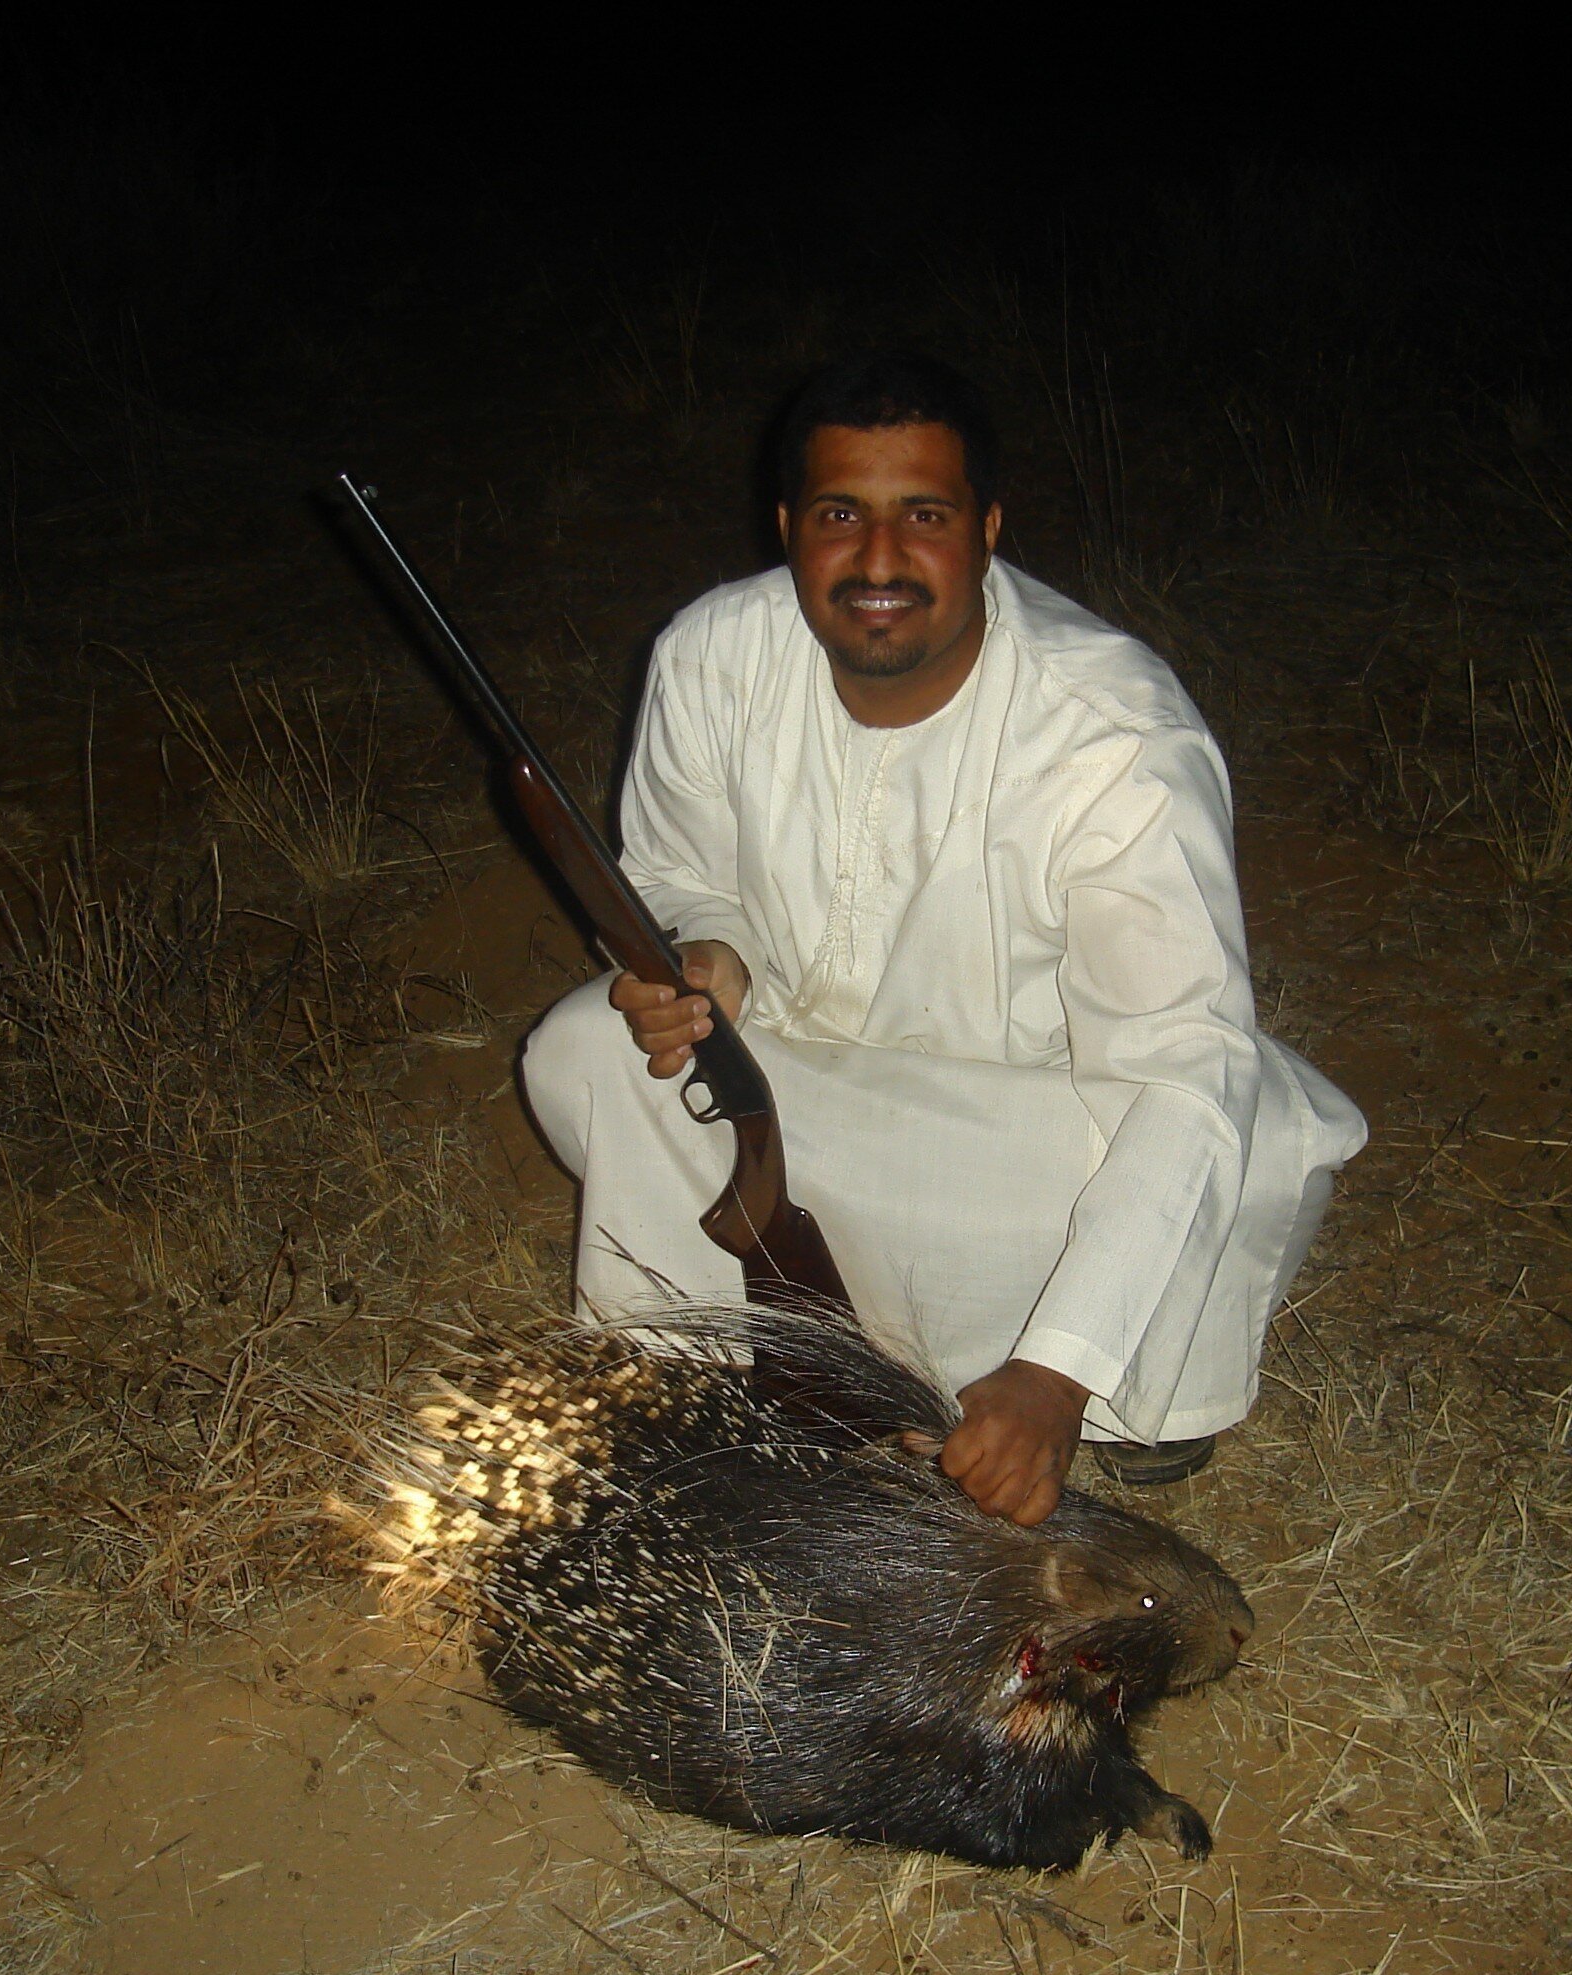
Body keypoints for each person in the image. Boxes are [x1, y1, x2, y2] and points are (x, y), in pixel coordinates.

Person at [520, 352, 1365, 1524]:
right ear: (786, 529)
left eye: (922, 515)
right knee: (585, 1052)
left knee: (1206, 1144)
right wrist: (707, 961)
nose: (876, 560)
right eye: (838, 516)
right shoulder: (710, 656)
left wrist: (1056, 1372)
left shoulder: (1110, 730)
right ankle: (723, 1349)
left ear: (985, 532)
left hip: (1028, 1132)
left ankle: (1095, 1378)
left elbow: (1177, 1072)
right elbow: (675, 877)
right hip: (801, 1088)